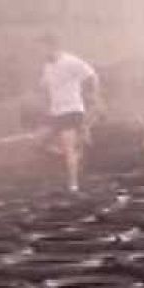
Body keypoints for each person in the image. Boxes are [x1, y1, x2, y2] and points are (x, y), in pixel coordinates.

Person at [39, 34, 99, 192]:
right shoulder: (47, 66)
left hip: (71, 110)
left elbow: (92, 75)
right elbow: (45, 86)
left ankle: (73, 184)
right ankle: (79, 148)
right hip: (56, 111)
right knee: (42, 142)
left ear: (52, 46)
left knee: (67, 148)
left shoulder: (70, 61)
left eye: (42, 47)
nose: (40, 51)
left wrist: (93, 97)